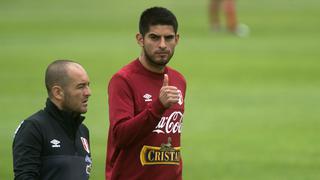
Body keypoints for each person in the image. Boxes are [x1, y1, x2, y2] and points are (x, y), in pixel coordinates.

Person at [105, 7, 186, 180]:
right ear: (140, 39)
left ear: (177, 39)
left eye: (169, 38)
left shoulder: (179, 80)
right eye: (154, 37)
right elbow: (120, 136)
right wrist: (158, 107)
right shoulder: (123, 80)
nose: (162, 45)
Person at [12, 60, 92, 180]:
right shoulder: (33, 128)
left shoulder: (83, 131)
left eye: (88, 85)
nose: (88, 92)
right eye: (80, 87)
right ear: (58, 92)